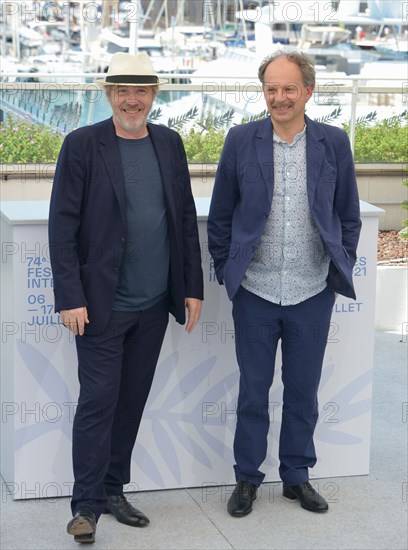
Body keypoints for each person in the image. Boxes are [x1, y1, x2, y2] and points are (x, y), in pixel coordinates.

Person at [49, 52, 203, 543]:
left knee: (131, 401)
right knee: (98, 403)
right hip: (99, 306)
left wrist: (192, 287)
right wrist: (70, 296)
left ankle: (114, 489)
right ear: (108, 94)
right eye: (122, 91)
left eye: (141, 91)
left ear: (154, 96)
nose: (131, 99)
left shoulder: (169, 143)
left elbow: (183, 217)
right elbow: (63, 226)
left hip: (155, 304)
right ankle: (86, 507)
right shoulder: (81, 145)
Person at [207, 51, 361, 517]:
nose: (279, 97)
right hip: (254, 291)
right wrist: (224, 267)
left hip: (311, 292)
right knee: (253, 391)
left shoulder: (333, 143)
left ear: (308, 92)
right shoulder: (240, 140)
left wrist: (340, 267)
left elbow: (348, 214)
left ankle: (297, 476)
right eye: (272, 88)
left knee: (302, 391)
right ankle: (247, 479)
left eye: (289, 88)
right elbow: (221, 215)